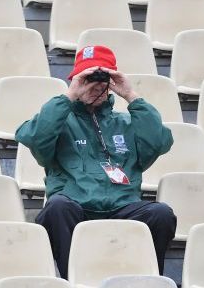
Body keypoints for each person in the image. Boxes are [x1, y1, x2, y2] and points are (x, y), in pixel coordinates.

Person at [16, 45, 177, 278]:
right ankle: (74, 280)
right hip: (75, 205)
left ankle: (148, 280)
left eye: (101, 78)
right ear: (74, 79)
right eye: (87, 77)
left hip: (122, 206)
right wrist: (69, 96)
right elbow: (34, 138)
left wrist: (131, 96)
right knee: (58, 208)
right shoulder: (60, 120)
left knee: (160, 214)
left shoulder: (126, 123)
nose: (94, 85)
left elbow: (159, 142)